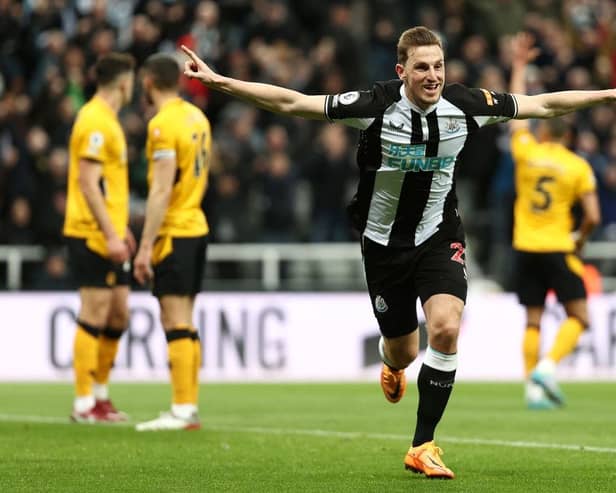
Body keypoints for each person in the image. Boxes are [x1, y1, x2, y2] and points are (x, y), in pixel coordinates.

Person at [181, 26, 616, 479]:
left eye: (439, 66)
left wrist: (607, 95)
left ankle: (423, 445)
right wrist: (222, 82)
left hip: (439, 234)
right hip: (383, 244)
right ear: (401, 71)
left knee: (446, 328)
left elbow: (541, 105)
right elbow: (294, 102)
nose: (433, 76)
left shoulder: (466, 105)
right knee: (405, 350)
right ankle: (392, 364)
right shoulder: (375, 105)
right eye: (423, 67)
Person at [508, 34, 601, 409]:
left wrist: (518, 66)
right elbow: (593, 215)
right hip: (558, 247)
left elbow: (516, 113)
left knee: (533, 321)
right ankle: (547, 367)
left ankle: (532, 388)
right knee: (579, 315)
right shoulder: (578, 166)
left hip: (524, 246)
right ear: (570, 134)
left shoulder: (527, 151)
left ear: (545, 128)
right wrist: (579, 238)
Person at [133, 53, 211, 431]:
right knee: (186, 321)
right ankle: (187, 406)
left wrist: (145, 247)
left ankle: (182, 409)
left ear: (148, 81)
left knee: (174, 319)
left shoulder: (162, 125)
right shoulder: (197, 116)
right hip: (196, 225)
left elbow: (161, 190)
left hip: (175, 230)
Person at [63, 53, 136, 423]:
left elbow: (106, 187)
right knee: (94, 312)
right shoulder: (94, 119)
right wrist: (109, 233)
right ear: (124, 82)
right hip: (89, 233)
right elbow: (88, 184)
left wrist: (120, 226)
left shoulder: (108, 121)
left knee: (118, 312)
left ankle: (102, 396)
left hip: (108, 231)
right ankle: (82, 402)